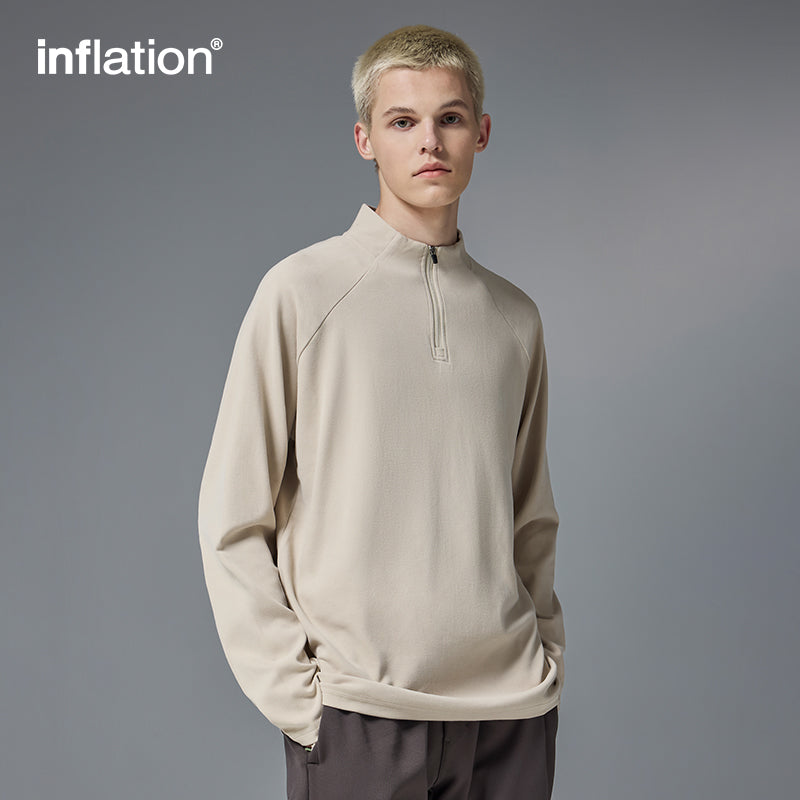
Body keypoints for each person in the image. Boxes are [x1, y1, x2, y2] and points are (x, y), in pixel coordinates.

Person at [198, 24, 565, 800]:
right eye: (403, 121)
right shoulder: (300, 294)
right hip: (358, 712)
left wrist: (547, 659)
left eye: (450, 118)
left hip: (510, 714)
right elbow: (232, 517)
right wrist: (302, 704)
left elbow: (530, 516)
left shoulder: (515, 318)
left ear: (481, 133)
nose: (429, 141)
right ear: (365, 138)